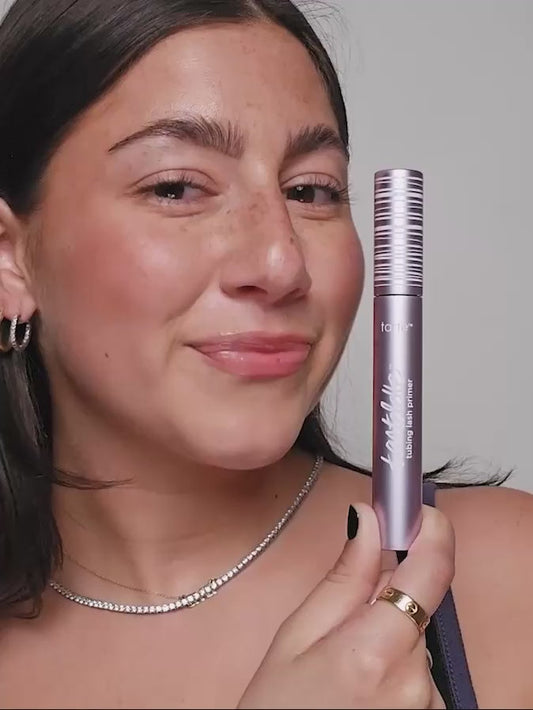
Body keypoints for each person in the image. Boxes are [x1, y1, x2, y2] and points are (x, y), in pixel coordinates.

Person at [0, 1, 531, 708]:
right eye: (176, 187)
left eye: (311, 190)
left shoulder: (509, 582)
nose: (282, 264)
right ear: (10, 259)